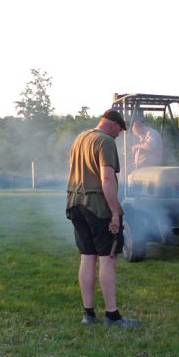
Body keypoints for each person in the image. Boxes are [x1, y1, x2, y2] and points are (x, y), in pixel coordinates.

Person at [66, 109, 139, 329]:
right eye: (119, 131)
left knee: (87, 256)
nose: (118, 136)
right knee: (108, 258)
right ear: (113, 125)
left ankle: (88, 314)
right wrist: (115, 211)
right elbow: (107, 179)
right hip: (97, 206)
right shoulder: (105, 141)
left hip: (75, 204)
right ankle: (112, 316)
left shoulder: (80, 138)